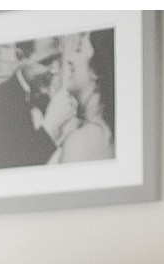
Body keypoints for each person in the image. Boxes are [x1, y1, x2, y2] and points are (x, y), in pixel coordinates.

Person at [0, 37, 63, 169]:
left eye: (58, 60)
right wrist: (50, 127)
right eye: (47, 62)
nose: (55, 71)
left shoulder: (48, 100)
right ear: (21, 56)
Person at [40, 30, 116, 164]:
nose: (70, 59)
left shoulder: (84, 141)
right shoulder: (95, 132)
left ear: (98, 70)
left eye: (79, 49)